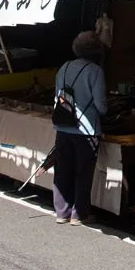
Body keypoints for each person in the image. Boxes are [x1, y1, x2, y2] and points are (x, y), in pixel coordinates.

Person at [52, 32, 107, 225]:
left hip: (64, 126)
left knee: (63, 170)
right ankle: (79, 214)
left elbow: (57, 98)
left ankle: (61, 212)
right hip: (87, 129)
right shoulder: (95, 71)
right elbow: (100, 104)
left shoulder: (64, 67)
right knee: (83, 172)